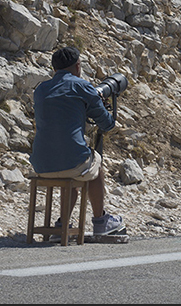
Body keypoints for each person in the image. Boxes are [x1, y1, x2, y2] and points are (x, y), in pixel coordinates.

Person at [29, 46, 124, 238]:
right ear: (78, 66)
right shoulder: (82, 87)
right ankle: (100, 222)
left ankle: (62, 224)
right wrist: (99, 104)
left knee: (73, 171)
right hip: (71, 161)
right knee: (95, 168)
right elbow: (106, 124)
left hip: (40, 163)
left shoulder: (40, 90)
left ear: (54, 68)